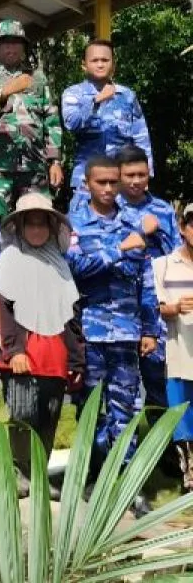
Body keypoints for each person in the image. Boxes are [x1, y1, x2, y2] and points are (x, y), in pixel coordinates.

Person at [65, 155, 155, 516]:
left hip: (126, 332)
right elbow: (76, 268)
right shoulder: (74, 224)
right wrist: (119, 249)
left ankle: (128, 483)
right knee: (90, 409)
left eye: (112, 182)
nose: (107, 188)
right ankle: (93, 474)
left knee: (126, 409)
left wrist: (150, 328)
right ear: (87, 183)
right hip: (89, 332)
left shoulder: (133, 223)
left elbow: (145, 280)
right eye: (100, 182)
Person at [0, 193, 84, 499]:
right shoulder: (9, 261)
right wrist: (14, 350)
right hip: (24, 351)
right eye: (31, 224)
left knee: (49, 413)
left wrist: (76, 359)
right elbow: (1, 309)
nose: (37, 230)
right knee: (23, 412)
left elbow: (71, 314)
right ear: (19, 227)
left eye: (43, 224)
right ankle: (19, 471)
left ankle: (39, 473)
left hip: (55, 351)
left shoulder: (59, 264)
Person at [0, 19, 62, 219]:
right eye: (5, 42)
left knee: (37, 222)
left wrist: (55, 161)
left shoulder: (37, 77)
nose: (11, 47)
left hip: (34, 167)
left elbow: (51, 119)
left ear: (23, 46)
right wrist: (3, 94)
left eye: (16, 42)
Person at [115, 145, 179, 419]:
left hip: (157, 306)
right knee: (122, 388)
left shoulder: (162, 210)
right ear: (118, 175)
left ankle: (164, 442)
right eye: (129, 175)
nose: (136, 181)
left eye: (141, 174)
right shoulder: (108, 208)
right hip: (119, 307)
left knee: (160, 379)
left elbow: (176, 255)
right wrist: (140, 231)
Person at [61, 39, 152, 195]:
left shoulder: (127, 95)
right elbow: (71, 124)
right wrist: (96, 101)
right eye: (94, 60)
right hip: (87, 179)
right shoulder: (73, 93)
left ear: (113, 65)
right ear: (84, 65)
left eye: (105, 60)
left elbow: (141, 136)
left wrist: (145, 174)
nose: (100, 64)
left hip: (124, 178)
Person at [153, 204, 193, 493]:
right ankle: (188, 474)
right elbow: (154, 307)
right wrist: (175, 308)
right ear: (182, 227)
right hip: (179, 354)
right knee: (183, 417)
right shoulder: (163, 265)